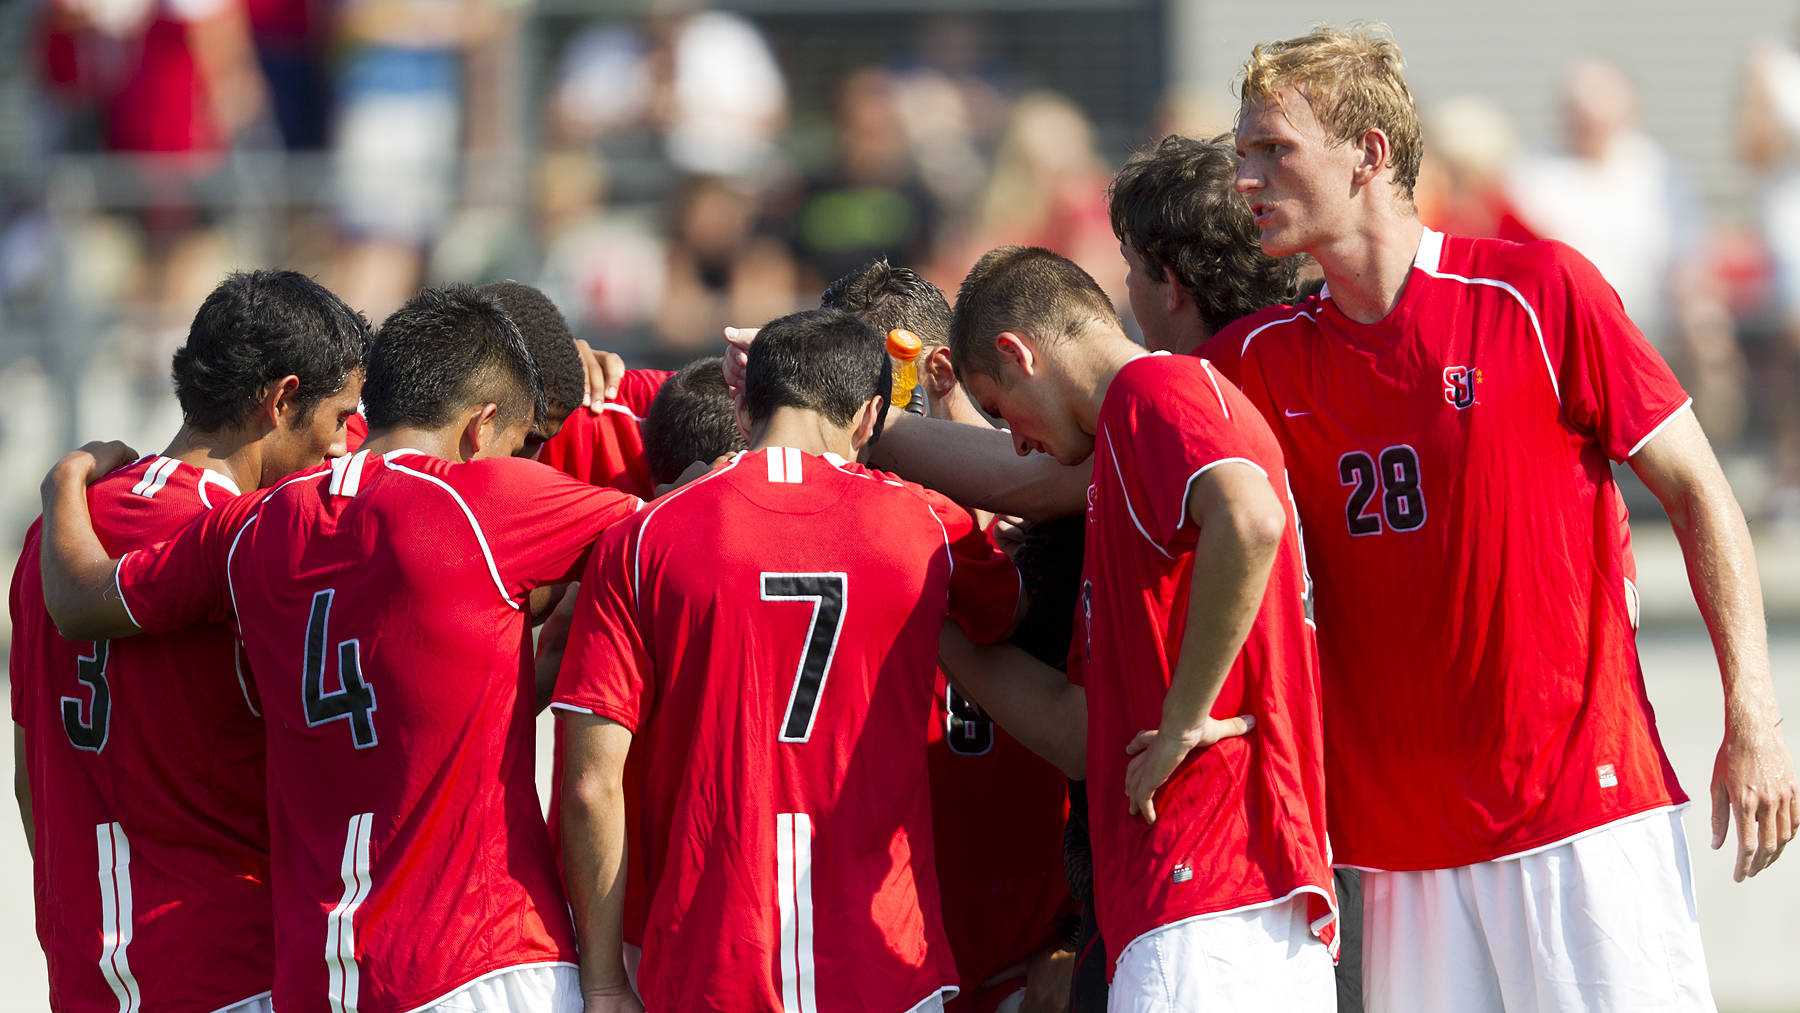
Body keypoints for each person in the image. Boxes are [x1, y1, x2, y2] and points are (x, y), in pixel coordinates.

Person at [1207, 24, 1796, 1010]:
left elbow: (1701, 491)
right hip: (1402, 859)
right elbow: (1109, 449)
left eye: (1274, 148)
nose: (1246, 178)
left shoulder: (1538, 290)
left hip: (1584, 822)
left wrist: (1757, 716)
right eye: (1242, 153)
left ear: (1369, 152)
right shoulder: (1254, 360)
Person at [35, 284, 644, 1013]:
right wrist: (640, 394)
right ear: (483, 427)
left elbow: (79, 603)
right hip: (477, 957)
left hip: (309, 970)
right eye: (521, 446)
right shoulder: (485, 501)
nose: (337, 438)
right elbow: (680, 530)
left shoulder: (253, 526)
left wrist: (63, 484)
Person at [553, 308, 1023, 1013]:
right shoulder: (929, 523)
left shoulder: (644, 536)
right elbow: (1006, 612)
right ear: (870, 418)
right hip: (882, 957)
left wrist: (602, 980)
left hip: (713, 957)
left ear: (743, 408)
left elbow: (591, 783)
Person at [947, 245, 1335, 1008]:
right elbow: (1080, 726)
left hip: (1211, 879)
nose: (1016, 441)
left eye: (999, 407)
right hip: (1194, 895)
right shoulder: (1125, 448)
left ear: (1018, 353)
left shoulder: (1156, 389)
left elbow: (1250, 520)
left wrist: (1185, 718)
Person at [10, 269, 368, 1013]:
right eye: (338, 417)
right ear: (281, 400)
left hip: (86, 973)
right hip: (233, 966)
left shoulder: (52, 536)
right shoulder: (255, 542)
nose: (340, 445)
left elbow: (28, 776)